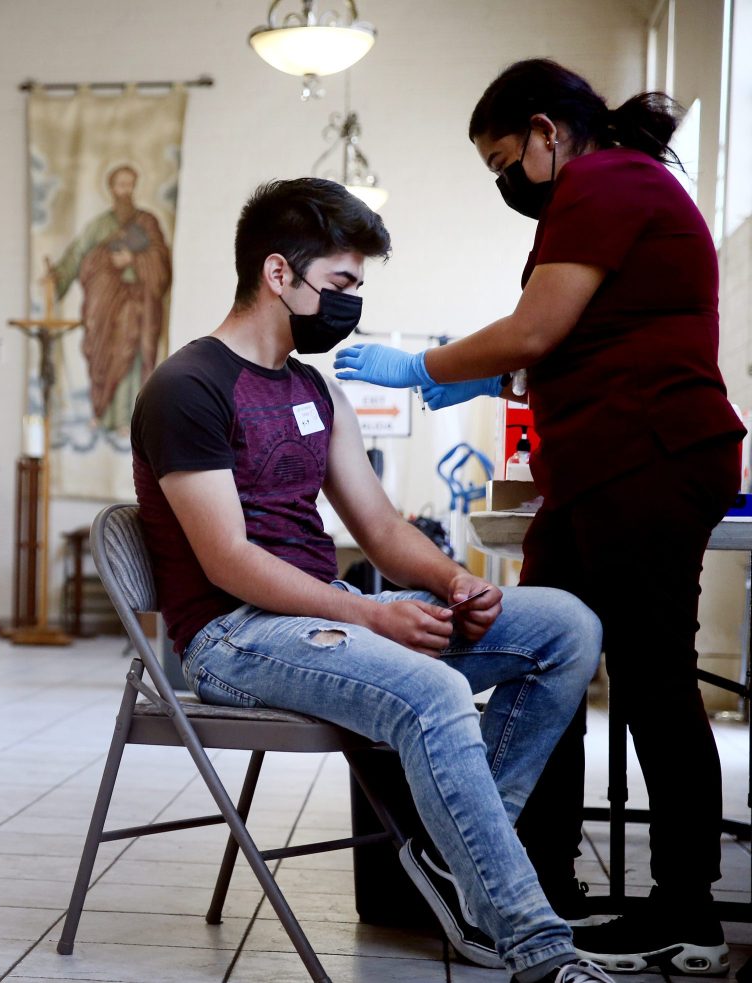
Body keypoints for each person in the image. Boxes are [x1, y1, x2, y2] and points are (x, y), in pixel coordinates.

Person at [132, 176, 610, 983]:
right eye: (342, 285)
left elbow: (384, 531)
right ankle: (538, 946)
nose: (351, 303)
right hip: (233, 635)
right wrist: (370, 617)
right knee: (432, 692)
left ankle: (452, 848)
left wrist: (456, 584)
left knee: (567, 626)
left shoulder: (315, 390)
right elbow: (230, 562)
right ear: (279, 274)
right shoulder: (188, 389)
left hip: (326, 618)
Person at [333, 58, 744, 977]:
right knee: (545, 649)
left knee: (650, 681)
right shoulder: (604, 191)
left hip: (648, 456)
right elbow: (563, 341)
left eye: (502, 159)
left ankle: (688, 911)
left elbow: (534, 329)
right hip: (602, 469)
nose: (503, 182)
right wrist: (481, 375)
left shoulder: (607, 178)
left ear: (548, 133)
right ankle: (538, 886)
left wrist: (423, 368)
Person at [45, 164, 172, 431]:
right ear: (111, 189)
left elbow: (161, 261)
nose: (125, 190)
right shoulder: (100, 225)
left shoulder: (147, 222)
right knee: (105, 354)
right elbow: (77, 254)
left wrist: (134, 260)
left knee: (131, 355)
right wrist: (58, 276)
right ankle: (104, 414)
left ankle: (130, 419)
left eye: (129, 184)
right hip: (106, 305)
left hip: (138, 303)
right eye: (120, 185)